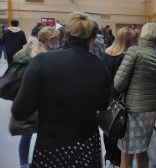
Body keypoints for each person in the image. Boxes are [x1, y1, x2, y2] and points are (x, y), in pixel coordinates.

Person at [12, 12, 111, 168]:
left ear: (66, 35)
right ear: (91, 40)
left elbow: (19, 111)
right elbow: (103, 104)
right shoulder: (100, 66)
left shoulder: (41, 61)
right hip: (86, 145)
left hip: (51, 146)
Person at [114, 22, 156, 168]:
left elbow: (118, 83)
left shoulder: (134, 51)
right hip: (150, 111)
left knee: (126, 154)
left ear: (143, 36)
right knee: (142, 151)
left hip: (132, 110)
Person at [12, 26, 60, 168]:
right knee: (43, 134)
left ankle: (24, 164)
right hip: (41, 100)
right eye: (57, 40)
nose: (59, 42)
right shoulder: (46, 55)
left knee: (26, 134)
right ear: (51, 40)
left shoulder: (28, 50)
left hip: (27, 98)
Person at [102, 27, 136, 167]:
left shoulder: (106, 53)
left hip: (106, 97)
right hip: (120, 99)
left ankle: (110, 157)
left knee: (107, 128)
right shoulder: (126, 57)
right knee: (118, 131)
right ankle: (117, 160)